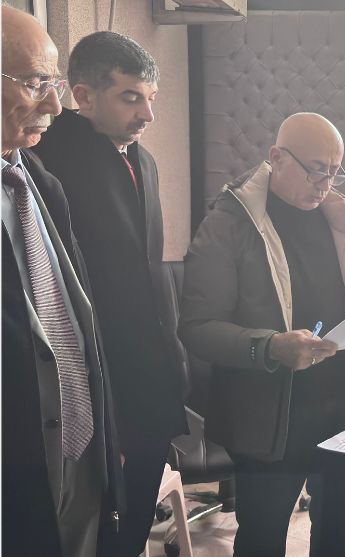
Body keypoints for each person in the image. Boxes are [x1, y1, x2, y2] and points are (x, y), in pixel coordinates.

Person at [179, 112, 345, 556]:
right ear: (276, 157)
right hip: (268, 418)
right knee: (263, 537)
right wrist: (271, 347)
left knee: (339, 533)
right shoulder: (230, 223)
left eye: (334, 172)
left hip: (342, 410)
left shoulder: (341, 222)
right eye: (316, 170)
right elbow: (197, 328)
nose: (325, 184)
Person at [31, 31, 187, 557]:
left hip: (148, 378)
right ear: (83, 95)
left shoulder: (144, 162)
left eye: (151, 99)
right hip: (88, 383)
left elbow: (147, 277)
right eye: (130, 97)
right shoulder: (46, 161)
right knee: (93, 534)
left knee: (132, 526)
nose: (147, 114)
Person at [1, 6, 122, 557]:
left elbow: (77, 325)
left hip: (78, 457)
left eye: (54, 83)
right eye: (34, 83)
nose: (54, 104)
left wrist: (107, 443)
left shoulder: (40, 182)